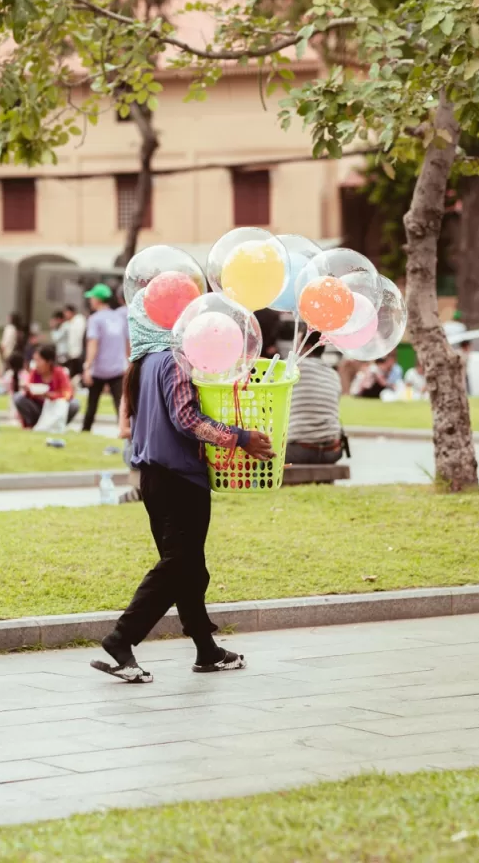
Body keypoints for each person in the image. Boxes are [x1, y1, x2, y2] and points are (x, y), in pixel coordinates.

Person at [92, 291, 274, 683]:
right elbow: (186, 418)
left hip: (154, 479)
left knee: (190, 567)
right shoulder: (174, 360)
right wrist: (240, 437)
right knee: (178, 566)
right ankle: (120, 640)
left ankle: (206, 651)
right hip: (179, 479)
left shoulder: (141, 364)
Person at [285, 331, 343, 465]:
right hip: (332, 450)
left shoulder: (290, 369)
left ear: (307, 347)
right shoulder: (333, 374)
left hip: (298, 449)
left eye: (298, 343)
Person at [82, 283, 129, 431]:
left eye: (92, 298)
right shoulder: (119, 317)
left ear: (97, 299)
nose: (90, 301)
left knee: (92, 404)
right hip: (117, 368)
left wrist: (87, 367)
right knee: (119, 405)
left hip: (99, 369)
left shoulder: (95, 319)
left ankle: (85, 430)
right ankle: (125, 430)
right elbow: (127, 342)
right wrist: (127, 363)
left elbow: (93, 344)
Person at [14, 344, 80, 429]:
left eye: (39, 360)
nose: (36, 364)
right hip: (39, 407)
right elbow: (29, 391)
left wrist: (50, 395)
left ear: (49, 362)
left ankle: (57, 425)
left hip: (55, 407)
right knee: (19, 398)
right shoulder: (35, 373)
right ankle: (31, 425)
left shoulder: (59, 373)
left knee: (74, 404)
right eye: (35, 360)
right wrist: (28, 389)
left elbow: (67, 394)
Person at [64, 304, 86, 380]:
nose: (65, 315)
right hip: (73, 353)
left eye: (66, 313)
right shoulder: (70, 323)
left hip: (79, 353)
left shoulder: (79, 320)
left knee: (78, 373)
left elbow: (80, 337)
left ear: (71, 312)